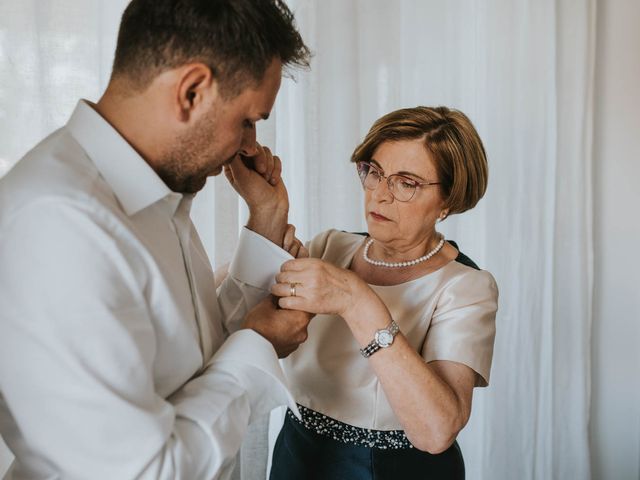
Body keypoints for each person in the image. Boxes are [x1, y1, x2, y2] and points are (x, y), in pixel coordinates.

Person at [0, 1, 312, 479]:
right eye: (248, 119)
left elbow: (190, 362)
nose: (250, 146)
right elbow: (144, 472)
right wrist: (259, 347)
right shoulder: (60, 223)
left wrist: (267, 218)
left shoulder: (149, 191)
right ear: (191, 91)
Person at [269, 106, 499, 479]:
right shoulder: (330, 246)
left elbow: (437, 431)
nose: (379, 195)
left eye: (406, 183)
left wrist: (358, 302)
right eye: (375, 172)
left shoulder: (466, 287)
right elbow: (227, 303)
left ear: (448, 200)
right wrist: (265, 209)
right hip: (296, 456)